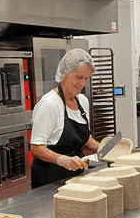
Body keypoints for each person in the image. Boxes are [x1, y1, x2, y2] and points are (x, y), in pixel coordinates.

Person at [30, 48, 100, 189]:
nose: (83, 83)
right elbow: (36, 147)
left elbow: (84, 139)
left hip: (76, 176)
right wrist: (63, 160)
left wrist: (101, 147)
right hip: (50, 179)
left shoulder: (83, 102)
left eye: (86, 78)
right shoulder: (49, 104)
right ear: (64, 74)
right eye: (79, 77)